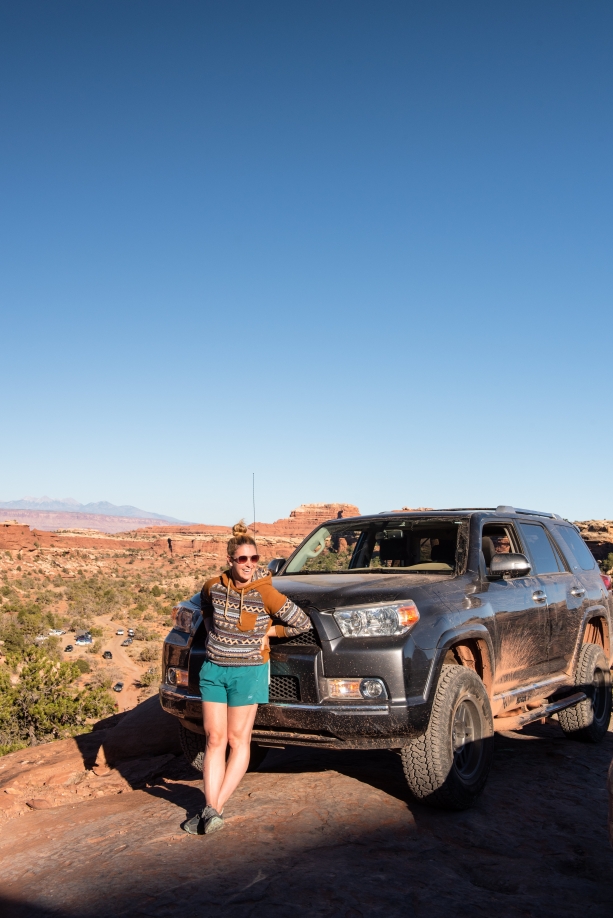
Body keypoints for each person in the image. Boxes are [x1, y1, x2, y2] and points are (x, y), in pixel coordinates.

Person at [183, 521, 311, 836]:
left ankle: (214, 809)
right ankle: (210, 809)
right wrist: (216, 634)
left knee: (237, 740)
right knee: (214, 739)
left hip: (249, 673)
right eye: (243, 559)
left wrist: (271, 630)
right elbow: (204, 609)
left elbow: (302, 623)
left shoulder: (267, 592)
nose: (249, 566)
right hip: (214, 670)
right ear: (230, 560)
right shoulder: (212, 586)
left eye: (254, 559)